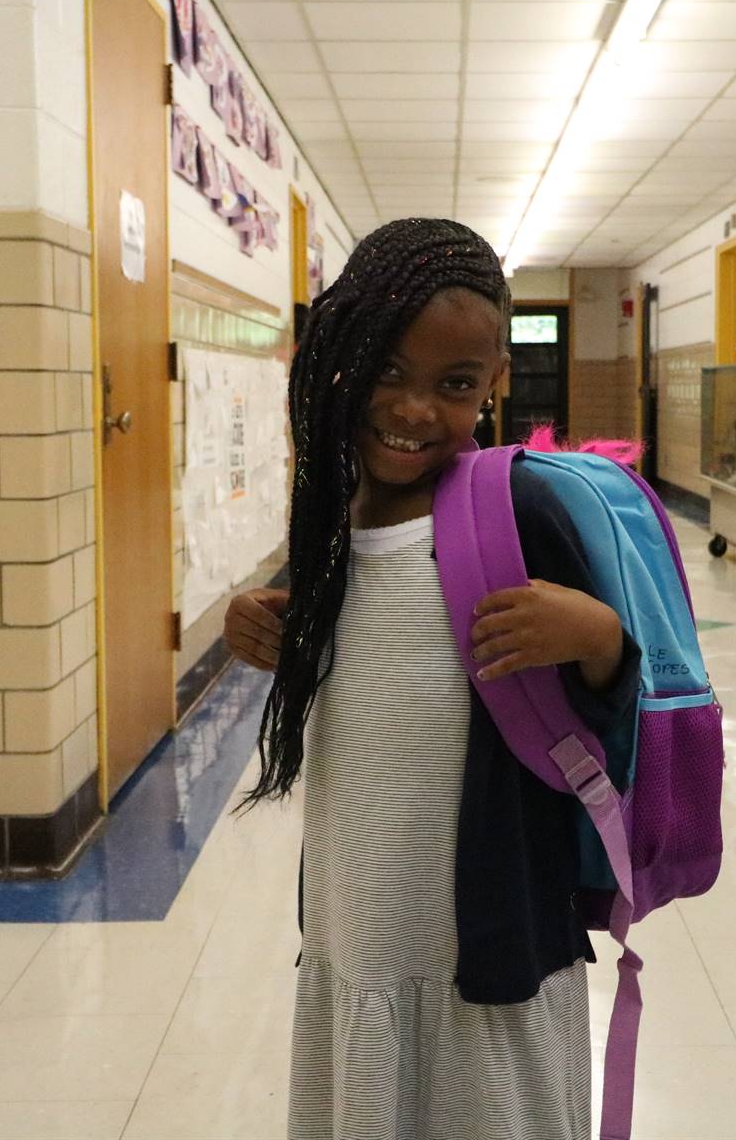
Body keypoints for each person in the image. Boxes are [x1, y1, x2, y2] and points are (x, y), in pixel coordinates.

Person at [221, 218, 636, 1140]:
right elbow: (337, 656)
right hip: (360, 907)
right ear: (341, 355)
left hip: (490, 929)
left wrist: (594, 631)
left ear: (491, 384)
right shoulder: (330, 518)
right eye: (389, 371)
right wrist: (260, 623)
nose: (413, 411)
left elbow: (613, 698)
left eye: (453, 385)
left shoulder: (515, 509)